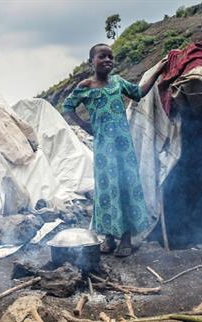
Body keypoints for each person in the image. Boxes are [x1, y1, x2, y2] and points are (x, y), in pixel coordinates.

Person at [62, 44, 165, 257]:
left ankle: (126, 238)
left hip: (123, 148)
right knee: (107, 191)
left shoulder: (118, 82)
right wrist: (83, 125)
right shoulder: (86, 86)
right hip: (102, 149)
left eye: (110, 57)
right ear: (92, 61)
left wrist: (158, 70)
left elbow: (138, 92)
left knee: (125, 187)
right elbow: (68, 106)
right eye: (102, 56)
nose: (108, 60)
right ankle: (108, 238)